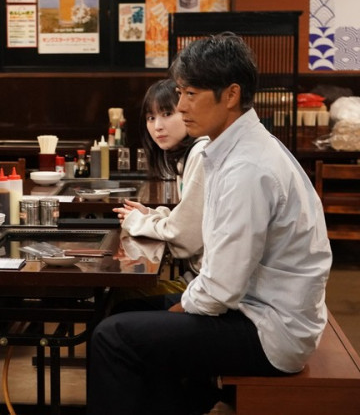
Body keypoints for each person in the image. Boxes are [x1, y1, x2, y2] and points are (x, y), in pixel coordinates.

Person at [88, 33, 332, 415]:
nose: (181, 106)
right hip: (253, 307)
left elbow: (220, 289)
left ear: (231, 95)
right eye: (180, 93)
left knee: (112, 337)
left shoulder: (247, 167)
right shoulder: (232, 148)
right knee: (121, 315)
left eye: (191, 94)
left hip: (270, 329)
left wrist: (173, 314)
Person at [113, 79, 208, 287]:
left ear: (186, 111)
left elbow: (184, 238)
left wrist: (138, 222)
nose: (157, 126)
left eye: (167, 114)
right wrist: (150, 214)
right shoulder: (187, 156)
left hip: (206, 288)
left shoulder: (201, 154)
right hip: (197, 281)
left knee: (122, 298)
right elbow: (193, 221)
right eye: (151, 117)